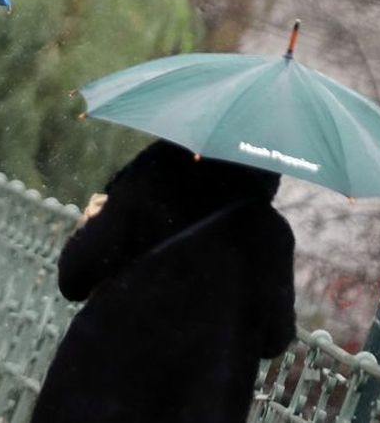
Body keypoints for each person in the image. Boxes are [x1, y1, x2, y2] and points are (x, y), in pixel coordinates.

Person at [31, 140, 297, 423]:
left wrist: (91, 227)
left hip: (95, 392)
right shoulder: (270, 236)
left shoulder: (148, 182)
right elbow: (275, 339)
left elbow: (74, 278)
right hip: (196, 406)